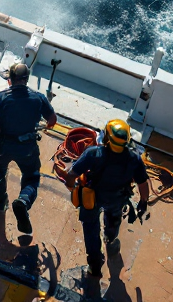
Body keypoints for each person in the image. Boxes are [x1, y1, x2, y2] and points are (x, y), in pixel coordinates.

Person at [0, 62, 57, 235]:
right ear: (27, 79)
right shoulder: (39, 98)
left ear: (10, 80)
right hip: (27, 147)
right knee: (31, 177)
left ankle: (0, 204)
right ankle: (23, 201)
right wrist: (44, 125)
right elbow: (52, 120)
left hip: (4, 146)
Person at [68, 119, 150, 280]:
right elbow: (143, 183)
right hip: (117, 198)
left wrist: (73, 189)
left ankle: (95, 264)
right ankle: (110, 240)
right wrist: (143, 201)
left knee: (91, 228)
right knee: (113, 219)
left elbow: (72, 175)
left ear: (106, 138)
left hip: (92, 198)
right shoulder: (134, 159)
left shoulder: (93, 154)